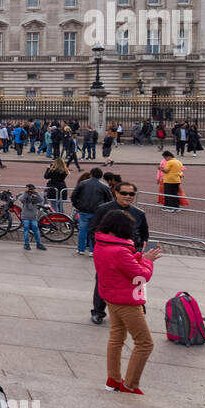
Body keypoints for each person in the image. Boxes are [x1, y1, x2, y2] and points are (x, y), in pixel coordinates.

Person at [94, 210, 162, 394]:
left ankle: (113, 379)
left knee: (116, 337)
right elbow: (141, 276)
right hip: (127, 300)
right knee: (145, 343)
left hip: (111, 297)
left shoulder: (101, 244)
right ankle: (130, 384)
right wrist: (147, 262)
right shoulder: (120, 251)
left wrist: (139, 257)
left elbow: (121, 266)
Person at [87, 180, 150, 324]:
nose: (128, 196)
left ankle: (138, 305)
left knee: (135, 280)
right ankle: (98, 311)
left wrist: (140, 250)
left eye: (131, 194)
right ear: (116, 193)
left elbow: (144, 234)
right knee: (103, 282)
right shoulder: (103, 209)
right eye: (124, 193)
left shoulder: (139, 213)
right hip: (109, 255)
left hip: (131, 254)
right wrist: (102, 249)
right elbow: (93, 231)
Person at [70, 167, 113, 255]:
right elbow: (109, 200)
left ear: (91, 174)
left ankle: (81, 249)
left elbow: (74, 196)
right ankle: (92, 250)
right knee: (94, 231)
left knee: (82, 230)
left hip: (83, 210)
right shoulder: (104, 186)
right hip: (97, 212)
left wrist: (77, 205)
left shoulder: (82, 183)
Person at [18, 183, 48, 251]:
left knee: (36, 230)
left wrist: (36, 192)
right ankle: (26, 244)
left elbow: (41, 199)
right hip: (25, 216)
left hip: (33, 216)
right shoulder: (25, 195)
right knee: (26, 230)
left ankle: (39, 244)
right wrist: (26, 192)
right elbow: (21, 199)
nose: (30, 191)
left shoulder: (35, 195)